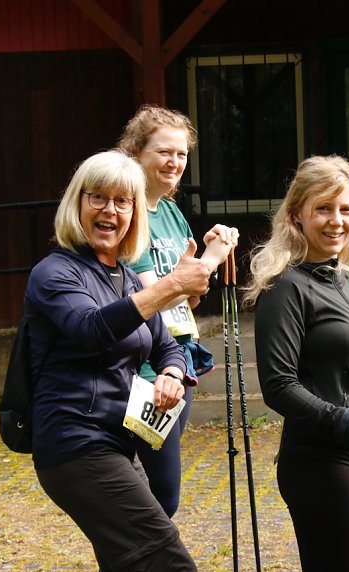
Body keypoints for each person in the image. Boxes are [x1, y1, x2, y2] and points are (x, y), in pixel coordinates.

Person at [25, 149, 233, 571]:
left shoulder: (124, 277)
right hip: (75, 444)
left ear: (135, 213)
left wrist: (173, 373)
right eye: (98, 198)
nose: (110, 210)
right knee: (165, 557)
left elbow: (167, 345)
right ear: (77, 204)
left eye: (123, 202)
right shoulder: (55, 272)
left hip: (120, 442)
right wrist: (172, 284)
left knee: (128, 562)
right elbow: (91, 328)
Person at [245, 155, 349, 572]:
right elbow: (278, 385)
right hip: (325, 466)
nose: (336, 220)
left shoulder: (346, 278)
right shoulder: (285, 286)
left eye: (346, 209)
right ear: (297, 215)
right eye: (323, 209)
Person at [117, 104, 239, 518]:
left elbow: (188, 298)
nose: (174, 162)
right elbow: (151, 298)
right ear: (137, 153)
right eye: (164, 152)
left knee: (159, 492)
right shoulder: (128, 215)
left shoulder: (170, 213)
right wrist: (211, 257)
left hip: (177, 361)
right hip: (145, 371)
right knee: (158, 495)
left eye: (182, 154)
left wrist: (200, 270)